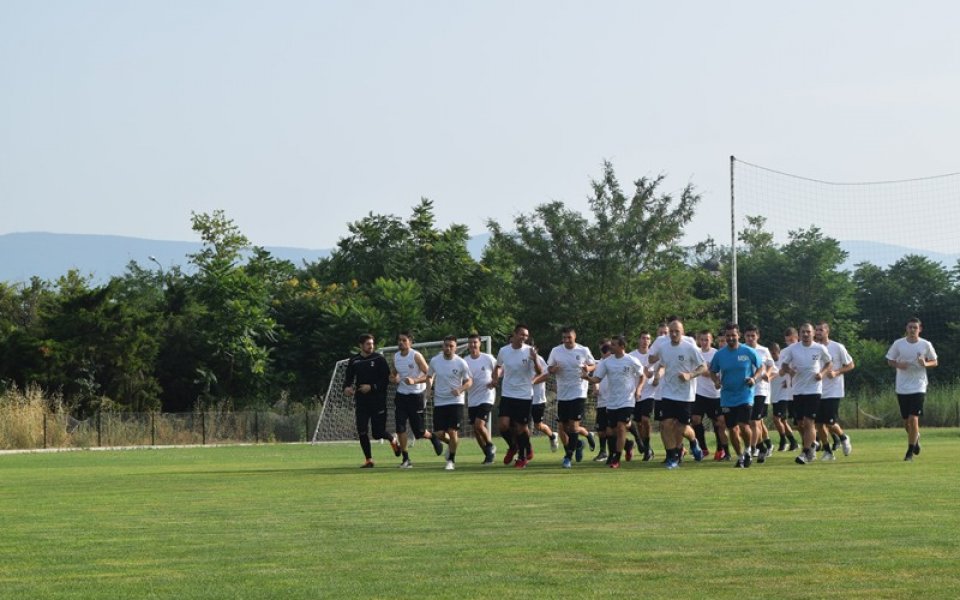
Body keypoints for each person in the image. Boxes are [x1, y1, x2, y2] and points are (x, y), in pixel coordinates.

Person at [649, 318, 707, 469]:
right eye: (671, 332)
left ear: (682, 332)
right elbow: (662, 365)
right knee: (666, 424)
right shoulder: (663, 347)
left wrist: (690, 375)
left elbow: (703, 367)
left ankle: (694, 442)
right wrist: (658, 375)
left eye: (677, 331)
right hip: (668, 393)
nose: (674, 334)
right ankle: (672, 456)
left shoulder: (690, 348)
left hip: (685, 395)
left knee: (680, 427)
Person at [582, 335, 644, 469]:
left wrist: (638, 389)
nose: (611, 347)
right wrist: (586, 378)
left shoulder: (631, 360)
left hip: (627, 401)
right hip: (612, 401)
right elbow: (597, 379)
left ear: (622, 346)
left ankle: (616, 458)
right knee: (610, 431)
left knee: (621, 427)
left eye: (614, 344)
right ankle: (619, 450)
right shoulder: (607, 362)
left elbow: (642, 375)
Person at [709, 322, 763, 468]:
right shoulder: (720, 355)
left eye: (733, 335)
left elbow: (761, 367)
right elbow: (712, 370)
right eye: (728, 336)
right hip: (727, 396)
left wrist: (754, 378)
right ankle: (740, 456)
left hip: (745, 394)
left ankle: (748, 450)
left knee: (744, 425)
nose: (731, 338)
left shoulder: (748, 351)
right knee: (732, 428)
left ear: (738, 335)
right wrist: (716, 381)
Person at [885, 318, 938, 462]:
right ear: (906, 328)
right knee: (906, 423)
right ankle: (916, 438)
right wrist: (898, 365)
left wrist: (925, 363)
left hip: (919, 386)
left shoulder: (925, 344)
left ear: (920, 329)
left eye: (915, 327)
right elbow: (890, 360)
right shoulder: (898, 344)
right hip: (902, 387)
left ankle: (909, 453)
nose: (913, 330)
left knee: (913, 419)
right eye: (910, 327)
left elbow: (935, 361)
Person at [779, 323, 832, 465]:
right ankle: (812, 444)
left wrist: (822, 373)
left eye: (808, 332)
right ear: (800, 334)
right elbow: (784, 366)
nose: (806, 334)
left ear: (813, 333)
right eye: (803, 332)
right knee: (800, 423)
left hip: (814, 390)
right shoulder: (793, 349)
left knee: (809, 422)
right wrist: (790, 371)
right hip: (797, 390)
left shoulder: (819, 348)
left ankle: (806, 451)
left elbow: (829, 363)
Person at [343, 333, 398, 468]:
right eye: (368, 344)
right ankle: (369, 460)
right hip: (361, 401)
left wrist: (371, 387)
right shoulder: (354, 360)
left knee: (378, 433)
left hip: (378, 400)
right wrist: (347, 388)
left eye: (372, 344)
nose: (371, 346)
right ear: (361, 346)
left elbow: (386, 380)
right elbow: (348, 379)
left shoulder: (379, 359)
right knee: (361, 430)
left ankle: (392, 439)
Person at [390, 331, 444, 469]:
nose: (401, 342)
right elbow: (393, 374)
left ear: (410, 342)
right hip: (401, 396)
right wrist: (393, 378)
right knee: (400, 428)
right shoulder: (395, 357)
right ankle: (406, 459)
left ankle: (433, 437)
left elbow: (429, 375)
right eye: (399, 340)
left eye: (404, 340)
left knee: (419, 432)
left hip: (416, 396)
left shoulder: (416, 356)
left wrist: (414, 380)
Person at [546, 326, 597, 469]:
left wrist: (588, 369)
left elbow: (594, 365)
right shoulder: (556, 351)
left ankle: (568, 457)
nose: (566, 340)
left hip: (578, 391)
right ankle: (579, 443)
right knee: (563, 427)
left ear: (575, 337)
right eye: (564, 338)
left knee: (573, 426)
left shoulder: (583, 350)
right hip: (563, 393)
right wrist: (552, 369)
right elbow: (549, 368)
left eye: (569, 337)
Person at [496, 324, 543, 469]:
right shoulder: (504, 351)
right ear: (515, 334)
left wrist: (535, 359)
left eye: (526, 335)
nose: (524, 338)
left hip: (524, 395)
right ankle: (513, 446)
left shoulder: (530, 351)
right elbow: (498, 366)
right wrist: (495, 377)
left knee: (520, 428)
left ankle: (522, 457)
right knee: (503, 425)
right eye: (522, 334)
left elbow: (540, 371)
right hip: (508, 394)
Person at [425, 336, 473, 470]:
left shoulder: (461, 363)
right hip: (440, 402)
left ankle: (451, 460)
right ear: (443, 346)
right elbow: (429, 376)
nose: (448, 348)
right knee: (439, 434)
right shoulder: (435, 361)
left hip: (456, 401)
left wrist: (460, 389)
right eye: (446, 345)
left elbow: (469, 381)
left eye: (451, 346)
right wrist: (429, 389)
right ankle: (452, 445)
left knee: (452, 432)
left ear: (455, 347)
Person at [814, 321, 855, 460]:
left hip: (833, 390)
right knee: (818, 423)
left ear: (827, 331)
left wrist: (837, 372)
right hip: (816, 390)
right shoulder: (813, 348)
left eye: (821, 330)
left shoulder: (837, 347)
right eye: (816, 330)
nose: (818, 332)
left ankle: (843, 438)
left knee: (830, 422)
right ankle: (827, 451)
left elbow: (850, 365)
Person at [692, 330, 729, 461]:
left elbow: (717, 373)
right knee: (695, 419)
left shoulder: (716, 354)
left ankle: (721, 449)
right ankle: (703, 448)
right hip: (699, 393)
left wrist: (705, 371)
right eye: (701, 339)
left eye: (706, 339)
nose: (704, 342)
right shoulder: (696, 353)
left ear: (711, 340)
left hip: (715, 394)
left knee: (719, 422)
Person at [464, 333, 499, 465]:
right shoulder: (465, 361)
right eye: (471, 343)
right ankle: (488, 455)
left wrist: (495, 380)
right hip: (473, 398)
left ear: (480, 344)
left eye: (475, 342)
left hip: (487, 395)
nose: (473, 345)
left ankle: (490, 445)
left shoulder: (488, 358)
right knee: (475, 429)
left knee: (479, 424)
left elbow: (499, 369)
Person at [744, 325, 776, 463]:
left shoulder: (763, 350)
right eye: (748, 336)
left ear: (758, 336)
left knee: (755, 421)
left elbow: (771, 366)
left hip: (760, 390)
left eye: (753, 336)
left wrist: (767, 375)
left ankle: (752, 449)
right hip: (745, 391)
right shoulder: (741, 350)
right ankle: (761, 446)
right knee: (746, 423)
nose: (750, 338)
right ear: (743, 336)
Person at [628, 332, 657, 462]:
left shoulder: (654, 356)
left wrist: (650, 374)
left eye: (648, 338)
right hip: (635, 393)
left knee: (645, 419)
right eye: (643, 338)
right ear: (639, 340)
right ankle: (645, 446)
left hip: (650, 392)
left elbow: (651, 374)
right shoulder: (632, 356)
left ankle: (648, 447)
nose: (645, 340)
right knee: (639, 422)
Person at [529, 340, 559, 456]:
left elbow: (546, 375)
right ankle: (524, 450)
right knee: (521, 425)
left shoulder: (539, 359)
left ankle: (552, 435)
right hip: (523, 398)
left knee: (538, 425)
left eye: (533, 348)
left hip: (538, 399)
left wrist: (532, 382)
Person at [769, 340, 799, 452]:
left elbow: (792, 371)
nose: (772, 356)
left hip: (784, 395)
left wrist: (789, 381)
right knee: (783, 421)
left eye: (774, 353)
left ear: (778, 352)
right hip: (774, 395)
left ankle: (783, 441)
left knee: (776, 419)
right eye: (771, 353)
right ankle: (793, 442)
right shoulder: (769, 363)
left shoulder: (783, 361)